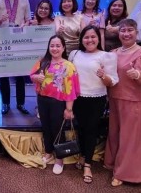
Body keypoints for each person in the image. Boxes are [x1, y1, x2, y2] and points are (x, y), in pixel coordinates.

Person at [104, 19, 141, 186]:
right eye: (123, 31)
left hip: (133, 101)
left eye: (129, 30)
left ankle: (124, 173)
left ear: (136, 33)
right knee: (114, 133)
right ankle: (112, 163)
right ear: (118, 33)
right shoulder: (114, 52)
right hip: (114, 98)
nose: (126, 34)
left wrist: (138, 75)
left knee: (130, 138)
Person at [69, 25, 119, 184]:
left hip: (96, 99)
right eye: (86, 37)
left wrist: (104, 76)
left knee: (91, 131)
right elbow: (68, 75)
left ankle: (88, 165)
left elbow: (112, 82)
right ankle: (83, 156)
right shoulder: (74, 54)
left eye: (93, 37)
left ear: (99, 38)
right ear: (81, 39)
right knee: (81, 129)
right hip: (77, 98)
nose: (89, 40)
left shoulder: (107, 56)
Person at [30, 35, 78, 175]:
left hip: (59, 102)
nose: (55, 48)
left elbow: (71, 89)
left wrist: (69, 109)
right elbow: (32, 75)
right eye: (52, 45)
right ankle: (48, 152)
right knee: (46, 127)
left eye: (58, 46)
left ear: (63, 48)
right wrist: (35, 77)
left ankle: (59, 158)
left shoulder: (68, 66)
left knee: (58, 129)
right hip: (42, 100)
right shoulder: (43, 62)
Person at [0, 0, 31, 115]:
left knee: (20, 75)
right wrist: (1, 19)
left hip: (19, 40)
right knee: (4, 74)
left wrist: (25, 25)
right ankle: (6, 104)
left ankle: (21, 104)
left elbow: (28, 20)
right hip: (4, 41)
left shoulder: (25, 0)